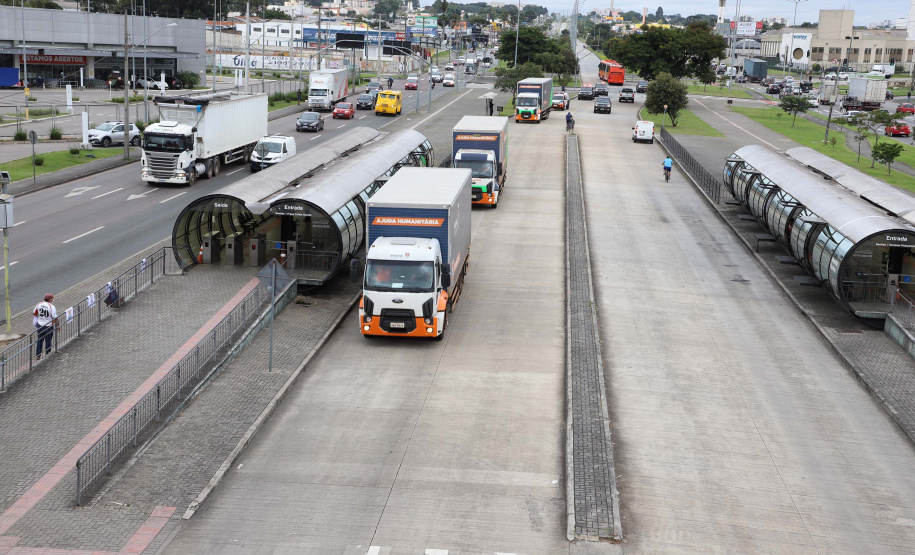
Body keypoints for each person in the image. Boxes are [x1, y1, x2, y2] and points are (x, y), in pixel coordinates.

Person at [33, 293, 57, 360]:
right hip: (48, 326)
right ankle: (48, 353)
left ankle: (38, 355)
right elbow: (55, 317)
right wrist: (57, 325)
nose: (53, 299)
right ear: (49, 299)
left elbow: (34, 313)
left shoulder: (39, 304)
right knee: (48, 340)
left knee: (40, 340)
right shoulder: (52, 307)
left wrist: (40, 317)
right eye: (52, 298)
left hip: (40, 325)